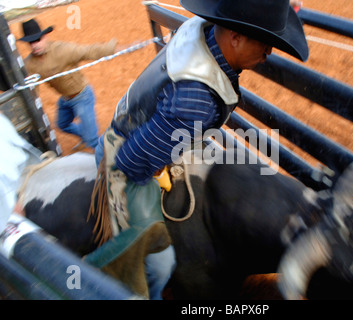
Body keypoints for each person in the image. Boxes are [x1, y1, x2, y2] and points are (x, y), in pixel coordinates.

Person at [88, 0, 309, 299]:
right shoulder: (198, 101)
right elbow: (131, 163)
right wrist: (159, 165)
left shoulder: (200, 28)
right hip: (125, 157)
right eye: (264, 43)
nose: (268, 53)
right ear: (236, 38)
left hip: (136, 120)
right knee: (159, 264)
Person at [18, 18, 122, 150]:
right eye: (30, 42)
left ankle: (106, 158)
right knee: (62, 124)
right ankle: (86, 135)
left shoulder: (62, 50)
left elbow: (89, 51)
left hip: (82, 96)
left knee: (92, 141)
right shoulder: (30, 64)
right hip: (65, 98)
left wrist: (118, 48)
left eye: (37, 40)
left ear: (45, 37)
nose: (34, 45)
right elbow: (31, 89)